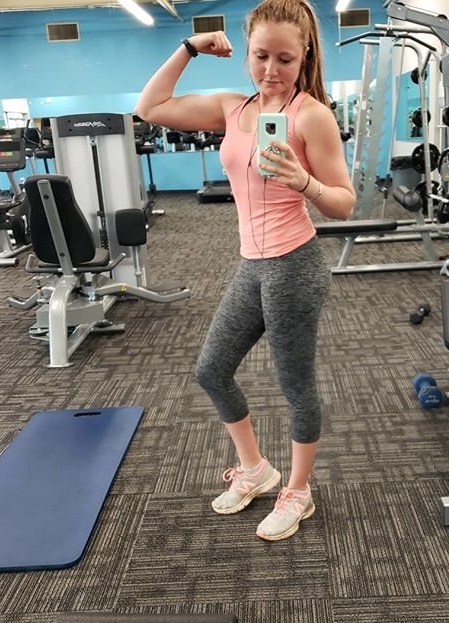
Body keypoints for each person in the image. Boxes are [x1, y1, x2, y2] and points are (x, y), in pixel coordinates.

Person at [135, 0, 355, 541]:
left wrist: (303, 181)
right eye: (260, 56)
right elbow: (150, 107)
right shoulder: (233, 108)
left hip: (294, 267)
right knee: (212, 370)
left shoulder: (312, 115)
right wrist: (189, 47)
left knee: (295, 386)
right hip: (251, 265)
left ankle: (298, 491)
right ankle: (255, 469)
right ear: (246, 53)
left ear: (305, 56)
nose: (271, 70)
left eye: (285, 58)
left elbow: (345, 203)